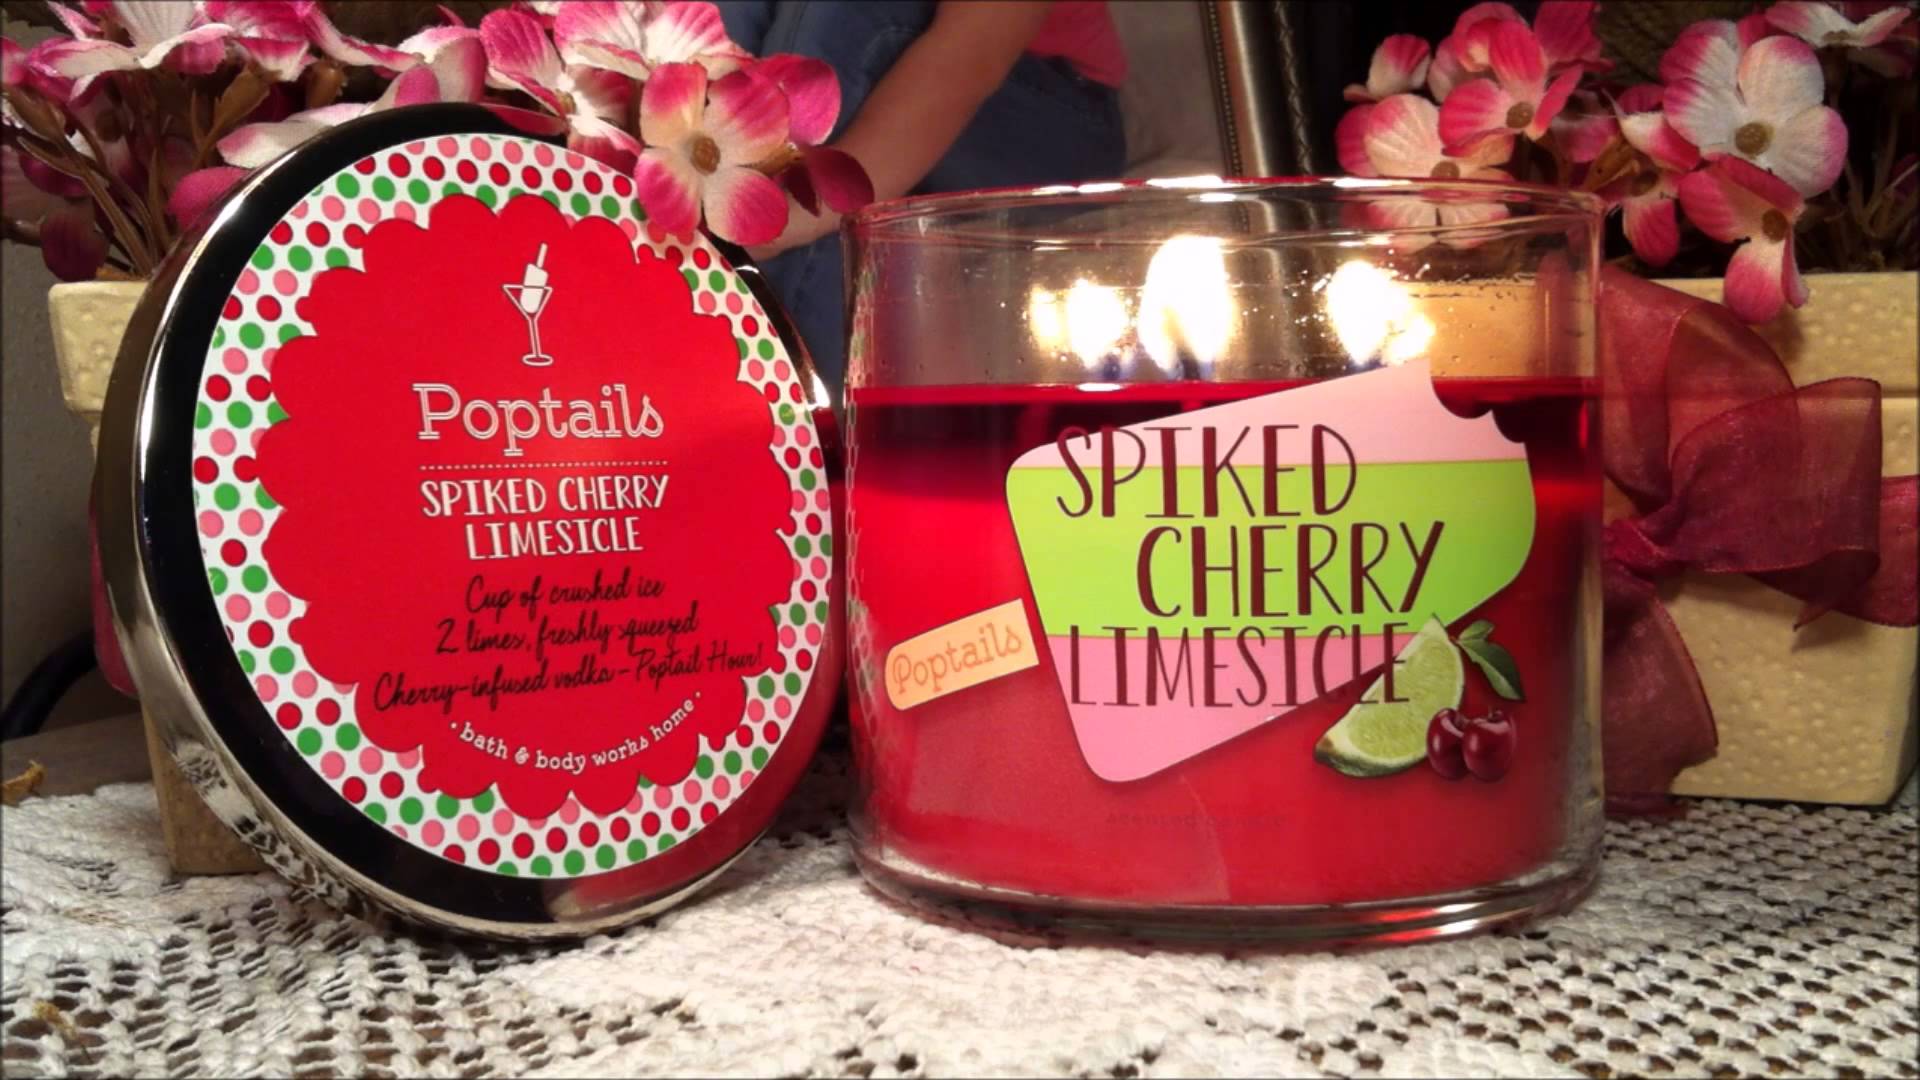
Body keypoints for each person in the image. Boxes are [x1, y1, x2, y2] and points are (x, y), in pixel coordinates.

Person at [717, 0, 1128, 392]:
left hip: (1057, 114)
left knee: (850, 16)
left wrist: (787, 215)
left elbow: (974, 51)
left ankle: (788, 410)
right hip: (872, 56)